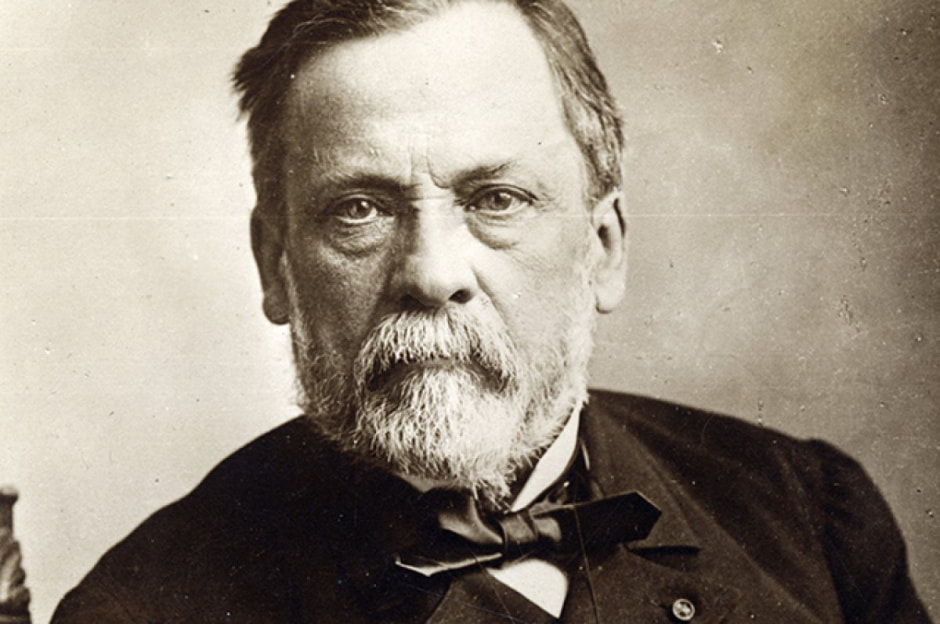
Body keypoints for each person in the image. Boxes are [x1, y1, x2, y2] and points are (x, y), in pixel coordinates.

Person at [52, 0, 931, 622]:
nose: (432, 274)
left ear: (602, 248)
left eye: (497, 199)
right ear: (275, 267)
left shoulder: (813, 519)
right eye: (359, 210)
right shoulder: (142, 608)